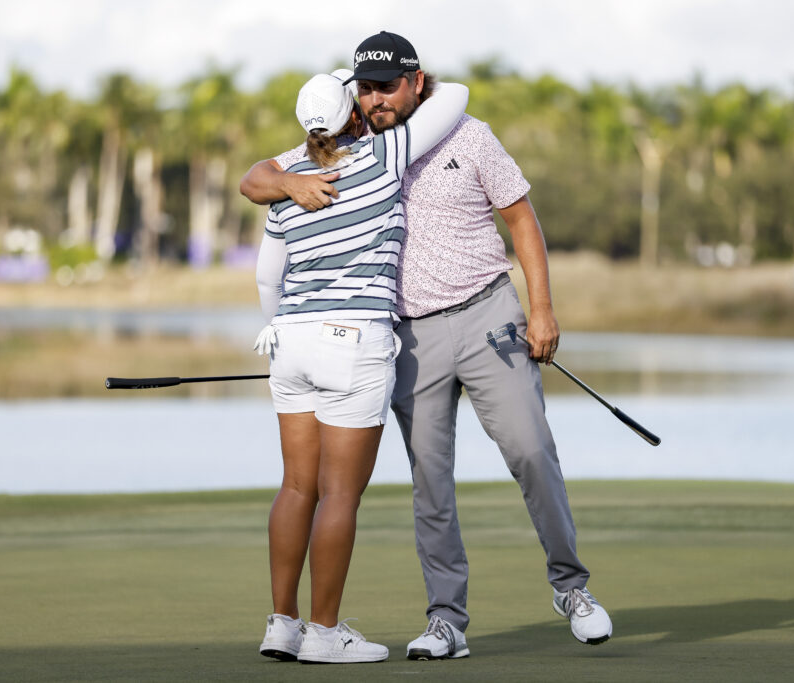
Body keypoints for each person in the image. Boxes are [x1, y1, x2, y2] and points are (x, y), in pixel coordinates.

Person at [241, 31, 613, 660]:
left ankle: (572, 589)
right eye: (366, 87)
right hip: (406, 333)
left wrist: (542, 309)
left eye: (388, 85)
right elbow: (261, 173)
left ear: (416, 81)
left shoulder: (469, 134)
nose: (376, 98)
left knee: (529, 450)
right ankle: (446, 620)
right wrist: (287, 184)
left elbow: (521, 218)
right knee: (430, 479)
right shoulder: (349, 146)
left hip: (487, 313)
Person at [251, 66, 469, 664]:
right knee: (339, 495)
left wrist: (280, 324)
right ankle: (324, 634)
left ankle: (282, 625)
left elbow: (268, 275)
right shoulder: (381, 155)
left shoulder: (286, 179)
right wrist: (355, 76)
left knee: (297, 486)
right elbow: (455, 96)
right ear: (354, 111)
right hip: (354, 342)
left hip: (288, 339)